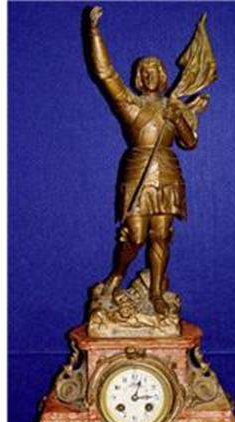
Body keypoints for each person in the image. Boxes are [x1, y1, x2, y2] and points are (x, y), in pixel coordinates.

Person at [88, 6, 206, 314]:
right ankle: (117, 275)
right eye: (144, 69)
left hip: (167, 172)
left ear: (163, 76)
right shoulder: (131, 105)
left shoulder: (173, 106)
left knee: (162, 235)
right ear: (138, 78)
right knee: (136, 235)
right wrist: (94, 33)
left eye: (154, 69)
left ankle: (155, 292)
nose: (149, 73)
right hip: (137, 170)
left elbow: (190, 142)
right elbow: (105, 73)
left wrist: (178, 118)